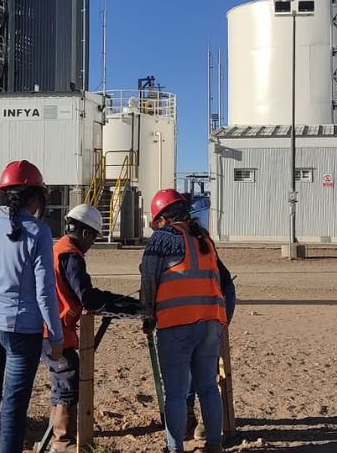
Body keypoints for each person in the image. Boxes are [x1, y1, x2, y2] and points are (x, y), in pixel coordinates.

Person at [0, 160, 63, 453]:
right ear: (35, 197)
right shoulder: (39, 232)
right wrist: (56, 335)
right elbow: (45, 290)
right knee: (13, 409)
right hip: (23, 331)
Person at [44, 204, 144, 452]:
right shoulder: (71, 255)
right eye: (94, 238)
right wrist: (126, 305)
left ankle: (58, 436)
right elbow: (87, 297)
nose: (93, 244)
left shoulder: (57, 249)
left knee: (62, 380)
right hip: (57, 330)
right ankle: (62, 441)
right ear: (87, 233)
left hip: (49, 327)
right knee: (68, 379)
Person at [141, 189, 233, 453]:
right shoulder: (203, 238)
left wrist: (147, 316)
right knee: (207, 388)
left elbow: (148, 279)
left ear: (161, 218)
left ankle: (174, 447)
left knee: (176, 393)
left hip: (177, 323)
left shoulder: (163, 237)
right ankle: (213, 445)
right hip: (210, 324)